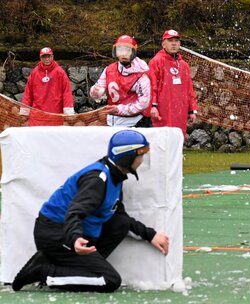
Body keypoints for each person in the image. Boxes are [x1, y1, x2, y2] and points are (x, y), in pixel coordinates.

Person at [12, 130, 170, 292]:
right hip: (56, 234)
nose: (142, 161)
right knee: (110, 280)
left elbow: (118, 214)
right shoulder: (98, 179)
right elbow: (74, 211)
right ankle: (42, 271)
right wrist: (74, 238)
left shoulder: (115, 177)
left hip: (67, 232)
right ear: (127, 157)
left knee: (120, 223)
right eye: (140, 155)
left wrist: (150, 235)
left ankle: (70, 267)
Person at [90, 35, 152, 127]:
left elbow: (144, 103)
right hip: (111, 121)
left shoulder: (141, 74)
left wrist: (120, 109)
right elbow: (99, 87)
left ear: (133, 52)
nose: (123, 54)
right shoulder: (109, 69)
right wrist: (95, 92)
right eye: (120, 50)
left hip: (134, 122)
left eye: (127, 50)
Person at [148, 29, 198, 138]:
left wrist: (192, 110)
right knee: (162, 139)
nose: (174, 43)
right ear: (163, 44)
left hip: (180, 109)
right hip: (162, 109)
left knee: (178, 138)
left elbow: (189, 89)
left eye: (176, 40)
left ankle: (178, 155)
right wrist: (153, 106)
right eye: (170, 40)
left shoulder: (184, 65)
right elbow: (152, 87)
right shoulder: (156, 62)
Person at [20, 47, 74, 126]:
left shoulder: (60, 72)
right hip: (37, 117)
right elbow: (28, 93)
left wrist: (68, 111)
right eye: (44, 57)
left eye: (48, 56)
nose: (46, 59)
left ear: (52, 57)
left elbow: (67, 92)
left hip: (55, 116)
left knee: (53, 138)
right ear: (40, 58)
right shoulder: (35, 72)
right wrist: (25, 111)